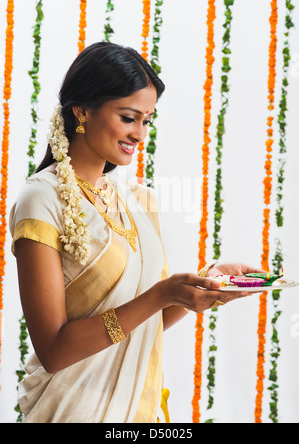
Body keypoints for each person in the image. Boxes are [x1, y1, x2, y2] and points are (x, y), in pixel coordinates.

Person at [10, 42, 260, 423]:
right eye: (128, 117)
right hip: (74, 410)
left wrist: (202, 289)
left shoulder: (139, 200)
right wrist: (162, 293)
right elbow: (54, 350)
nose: (140, 134)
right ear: (82, 110)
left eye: (147, 120)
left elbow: (146, 320)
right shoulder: (41, 199)